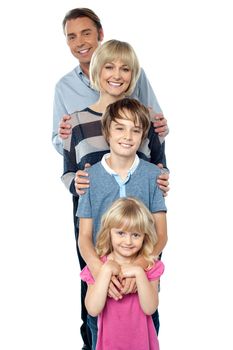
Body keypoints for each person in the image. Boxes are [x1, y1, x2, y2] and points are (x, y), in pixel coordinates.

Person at [54, 8, 169, 350]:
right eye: (108, 66)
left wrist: (139, 267)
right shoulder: (75, 121)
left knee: (145, 319)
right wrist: (103, 270)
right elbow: (69, 171)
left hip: (140, 244)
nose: (116, 75)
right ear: (96, 68)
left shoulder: (145, 120)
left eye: (124, 69)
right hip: (96, 239)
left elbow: (159, 171)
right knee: (95, 315)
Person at [76, 97, 167, 349]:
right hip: (103, 281)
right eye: (120, 127)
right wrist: (100, 270)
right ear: (107, 132)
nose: (128, 136)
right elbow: (84, 237)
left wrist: (137, 268)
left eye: (136, 130)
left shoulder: (153, 176)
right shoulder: (90, 177)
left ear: (143, 136)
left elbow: (161, 235)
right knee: (100, 335)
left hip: (144, 277)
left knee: (145, 333)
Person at [80, 197, 165, 350]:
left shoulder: (150, 266)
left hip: (142, 344)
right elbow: (92, 309)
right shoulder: (98, 266)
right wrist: (105, 271)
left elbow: (150, 308)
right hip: (109, 345)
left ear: (145, 236)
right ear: (109, 232)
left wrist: (139, 273)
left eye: (136, 235)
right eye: (121, 233)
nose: (128, 241)